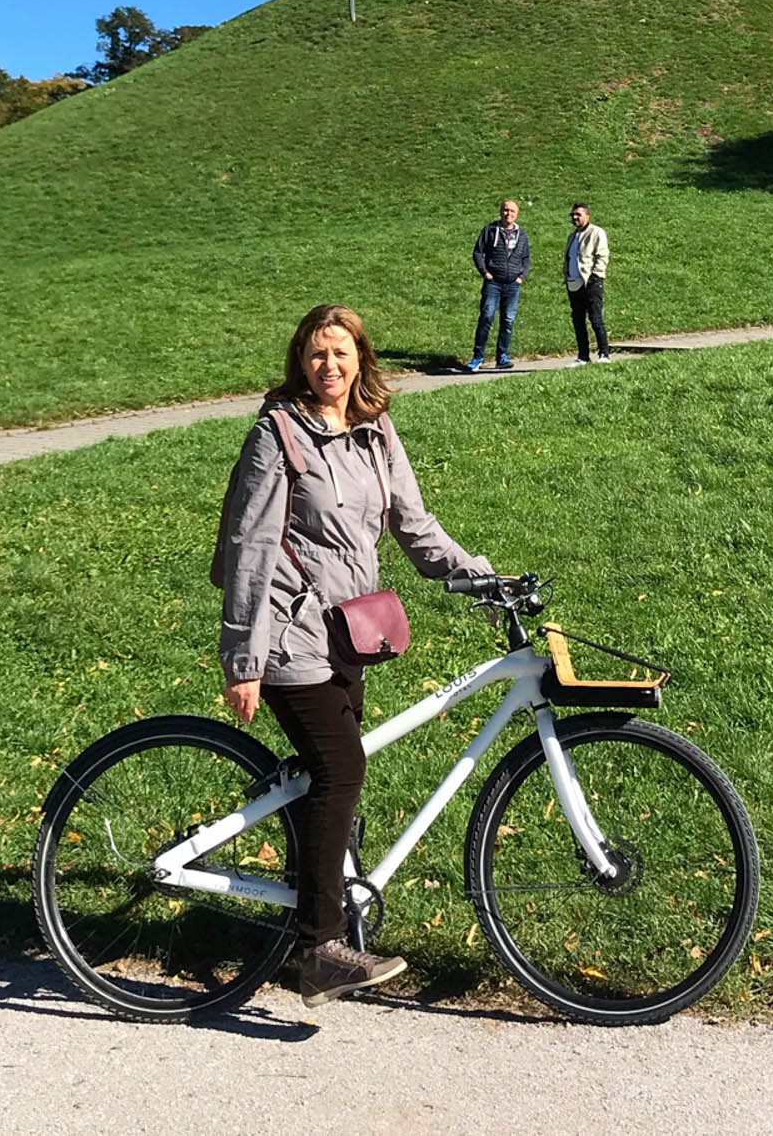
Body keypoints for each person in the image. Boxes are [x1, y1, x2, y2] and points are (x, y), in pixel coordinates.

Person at [219, 305, 493, 1005]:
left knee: (325, 778)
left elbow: (413, 524)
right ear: (299, 362)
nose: (328, 367)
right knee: (341, 769)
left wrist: (482, 579)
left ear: (361, 358)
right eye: (315, 355)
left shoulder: (374, 431)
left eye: (339, 353)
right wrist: (243, 659)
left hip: (345, 633)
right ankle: (318, 950)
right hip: (286, 633)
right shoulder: (277, 435)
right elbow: (250, 549)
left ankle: (323, 912)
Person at [468, 198, 531, 371]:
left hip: (513, 284)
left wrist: (522, 277)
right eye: (505, 210)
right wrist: (485, 273)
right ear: (500, 212)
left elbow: (526, 258)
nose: (508, 214)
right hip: (493, 283)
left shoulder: (522, 234)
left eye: (512, 211)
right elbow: (478, 253)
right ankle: (478, 357)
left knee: (508, 320)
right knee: (487, 317)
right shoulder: (490, 230)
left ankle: (502, 356)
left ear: (517, 214)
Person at [563, 202, 610, 364]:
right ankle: (583, 355)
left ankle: (604, 354)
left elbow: (602, 255)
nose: (575, 217)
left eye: (578, 214)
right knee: (578, 320)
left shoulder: (596, 232)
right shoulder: (572, 236)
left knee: (595, 318)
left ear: (587, 216)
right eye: (573, 215)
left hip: (591, 283)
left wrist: (594, 277)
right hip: (574, 283)